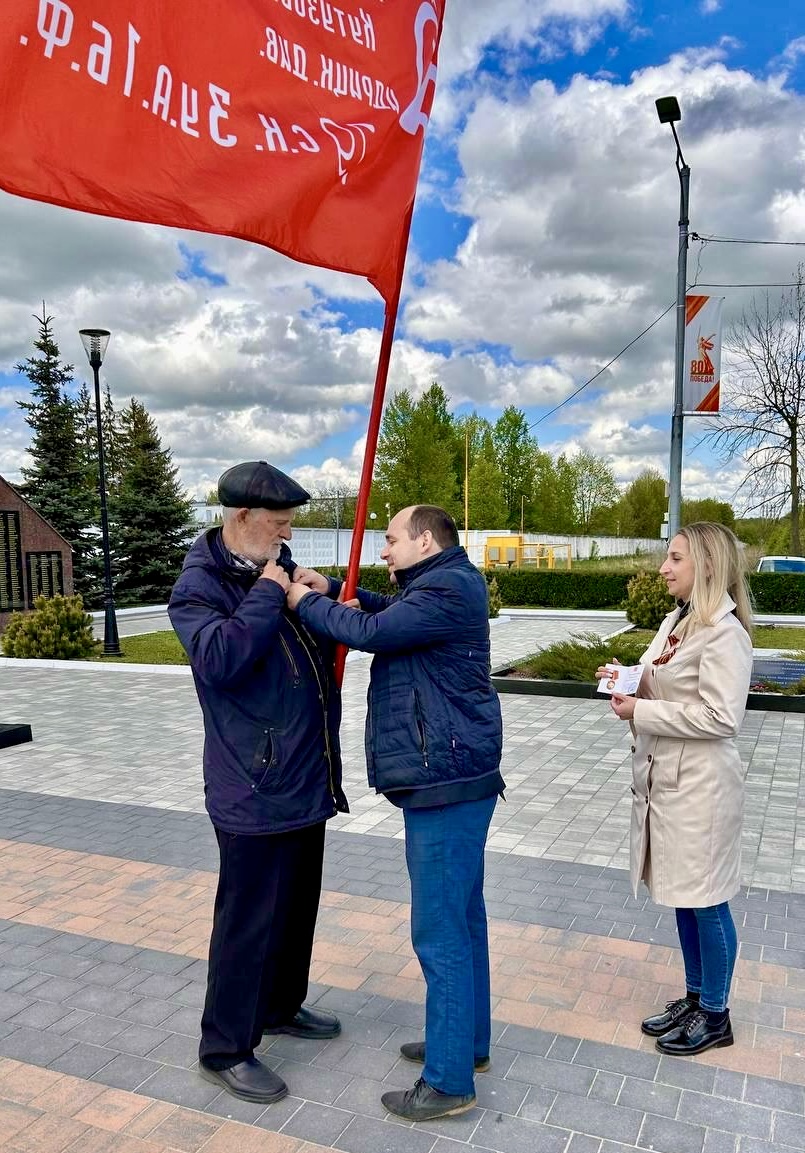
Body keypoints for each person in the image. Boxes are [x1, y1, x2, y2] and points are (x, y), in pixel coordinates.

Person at [285, 505, 504, 1122]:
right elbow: (392, 613)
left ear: (425, 541)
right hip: (456, 777)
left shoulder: (448, 588)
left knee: (440, 931)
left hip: (445, 782)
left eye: (390, 539)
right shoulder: (444, 583)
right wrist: (333, 586)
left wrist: (301, 601)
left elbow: (375, 632)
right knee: (463, 920)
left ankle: (448, 1083)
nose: (383, 550)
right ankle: (466, 1044)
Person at [168, 461, 349, 1105]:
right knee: (247, 922)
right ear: (242, 517)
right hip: (252, 784)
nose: (287, 534)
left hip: (305, 776)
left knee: (296, 908)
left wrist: (324, 595)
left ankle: (279, 1006)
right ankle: (224, 1047)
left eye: (290, 524)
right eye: (278, 523)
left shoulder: (276, 567)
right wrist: (271, 593)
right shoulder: (198, 587)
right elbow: (222, 659)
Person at [597, 522, 752, 1056]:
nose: (664, 568)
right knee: (684, 896)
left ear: (707, 565)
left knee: (706, 901)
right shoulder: (677, 620)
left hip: (702, 789)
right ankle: (695, 996)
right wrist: (626, 679)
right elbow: (658, 678)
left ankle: (716, 1013)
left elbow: (722, 717)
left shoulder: (725, 634)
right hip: (668, 783)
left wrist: (642, 712)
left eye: (676, 558)